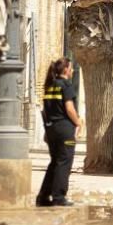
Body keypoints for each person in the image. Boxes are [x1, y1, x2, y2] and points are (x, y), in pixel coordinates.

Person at [36, 57, 82, 207]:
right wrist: (78, 122)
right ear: (66, 70)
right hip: (64, 130)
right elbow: (69, 108)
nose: (73, 70)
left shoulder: (50, 85)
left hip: (51, 129)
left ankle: (43, 196)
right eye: (71, 68)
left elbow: (45, 110)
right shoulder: (66, 85)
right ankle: (59, 197)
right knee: (64, 162)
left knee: (55, 162)